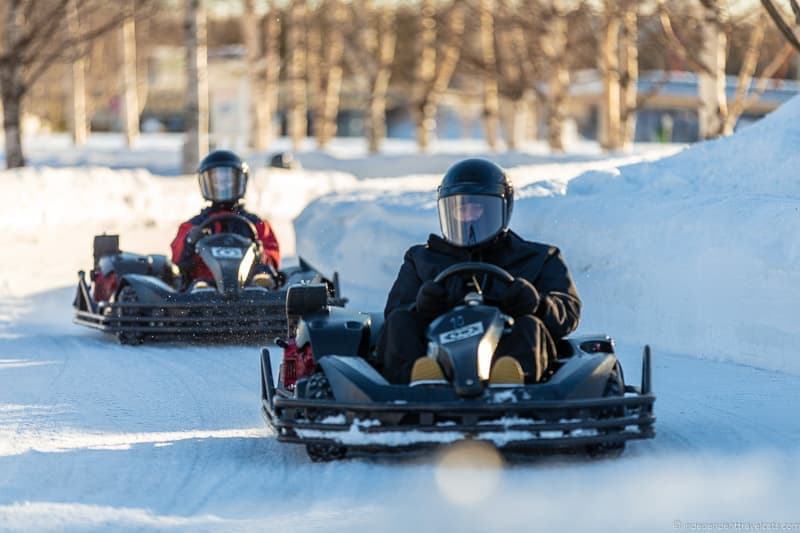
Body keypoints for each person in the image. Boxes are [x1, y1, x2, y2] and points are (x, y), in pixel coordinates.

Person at [378, 158, 581, 385]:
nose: (469, 218)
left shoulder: (539, 257)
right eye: (461, 209)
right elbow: (394, 313)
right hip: (435, 351)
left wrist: (538, 304)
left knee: (529, 325)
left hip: (505, 347)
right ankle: (421, 379)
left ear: (504, 209)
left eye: (478, 208)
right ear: (447, 212)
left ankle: (510, 379)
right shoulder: (421, 258)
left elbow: (568, 312)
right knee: (400, 322)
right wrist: (421, 305)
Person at [170, 150, 280, 288]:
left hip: (248, 285)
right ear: (206, 182)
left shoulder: (257, 224)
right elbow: (177, 260)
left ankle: (262, 283)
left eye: (228, 181)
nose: (223, 186)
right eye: (217, 181)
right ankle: (201, 286)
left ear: (240, 181)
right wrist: (190, 242)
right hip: (207, 286)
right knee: (190, 275)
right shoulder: (193, 226)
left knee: (264, 268)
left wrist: (260, 252)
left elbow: (273, 255)